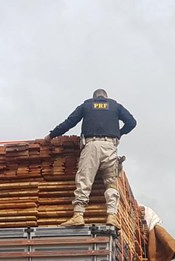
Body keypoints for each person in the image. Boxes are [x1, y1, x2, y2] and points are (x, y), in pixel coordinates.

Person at [45, 89, 137, 229]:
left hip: (91, 145)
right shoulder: (116, 106)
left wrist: (51, 135)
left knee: (84, 180)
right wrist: (119, 133)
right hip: (110, 147)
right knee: (111, 183)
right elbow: (132, 122)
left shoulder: (87, 105)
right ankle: (112, 216)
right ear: (105, 97)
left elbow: (69, 122)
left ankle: (78, 215)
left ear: (94, 97)